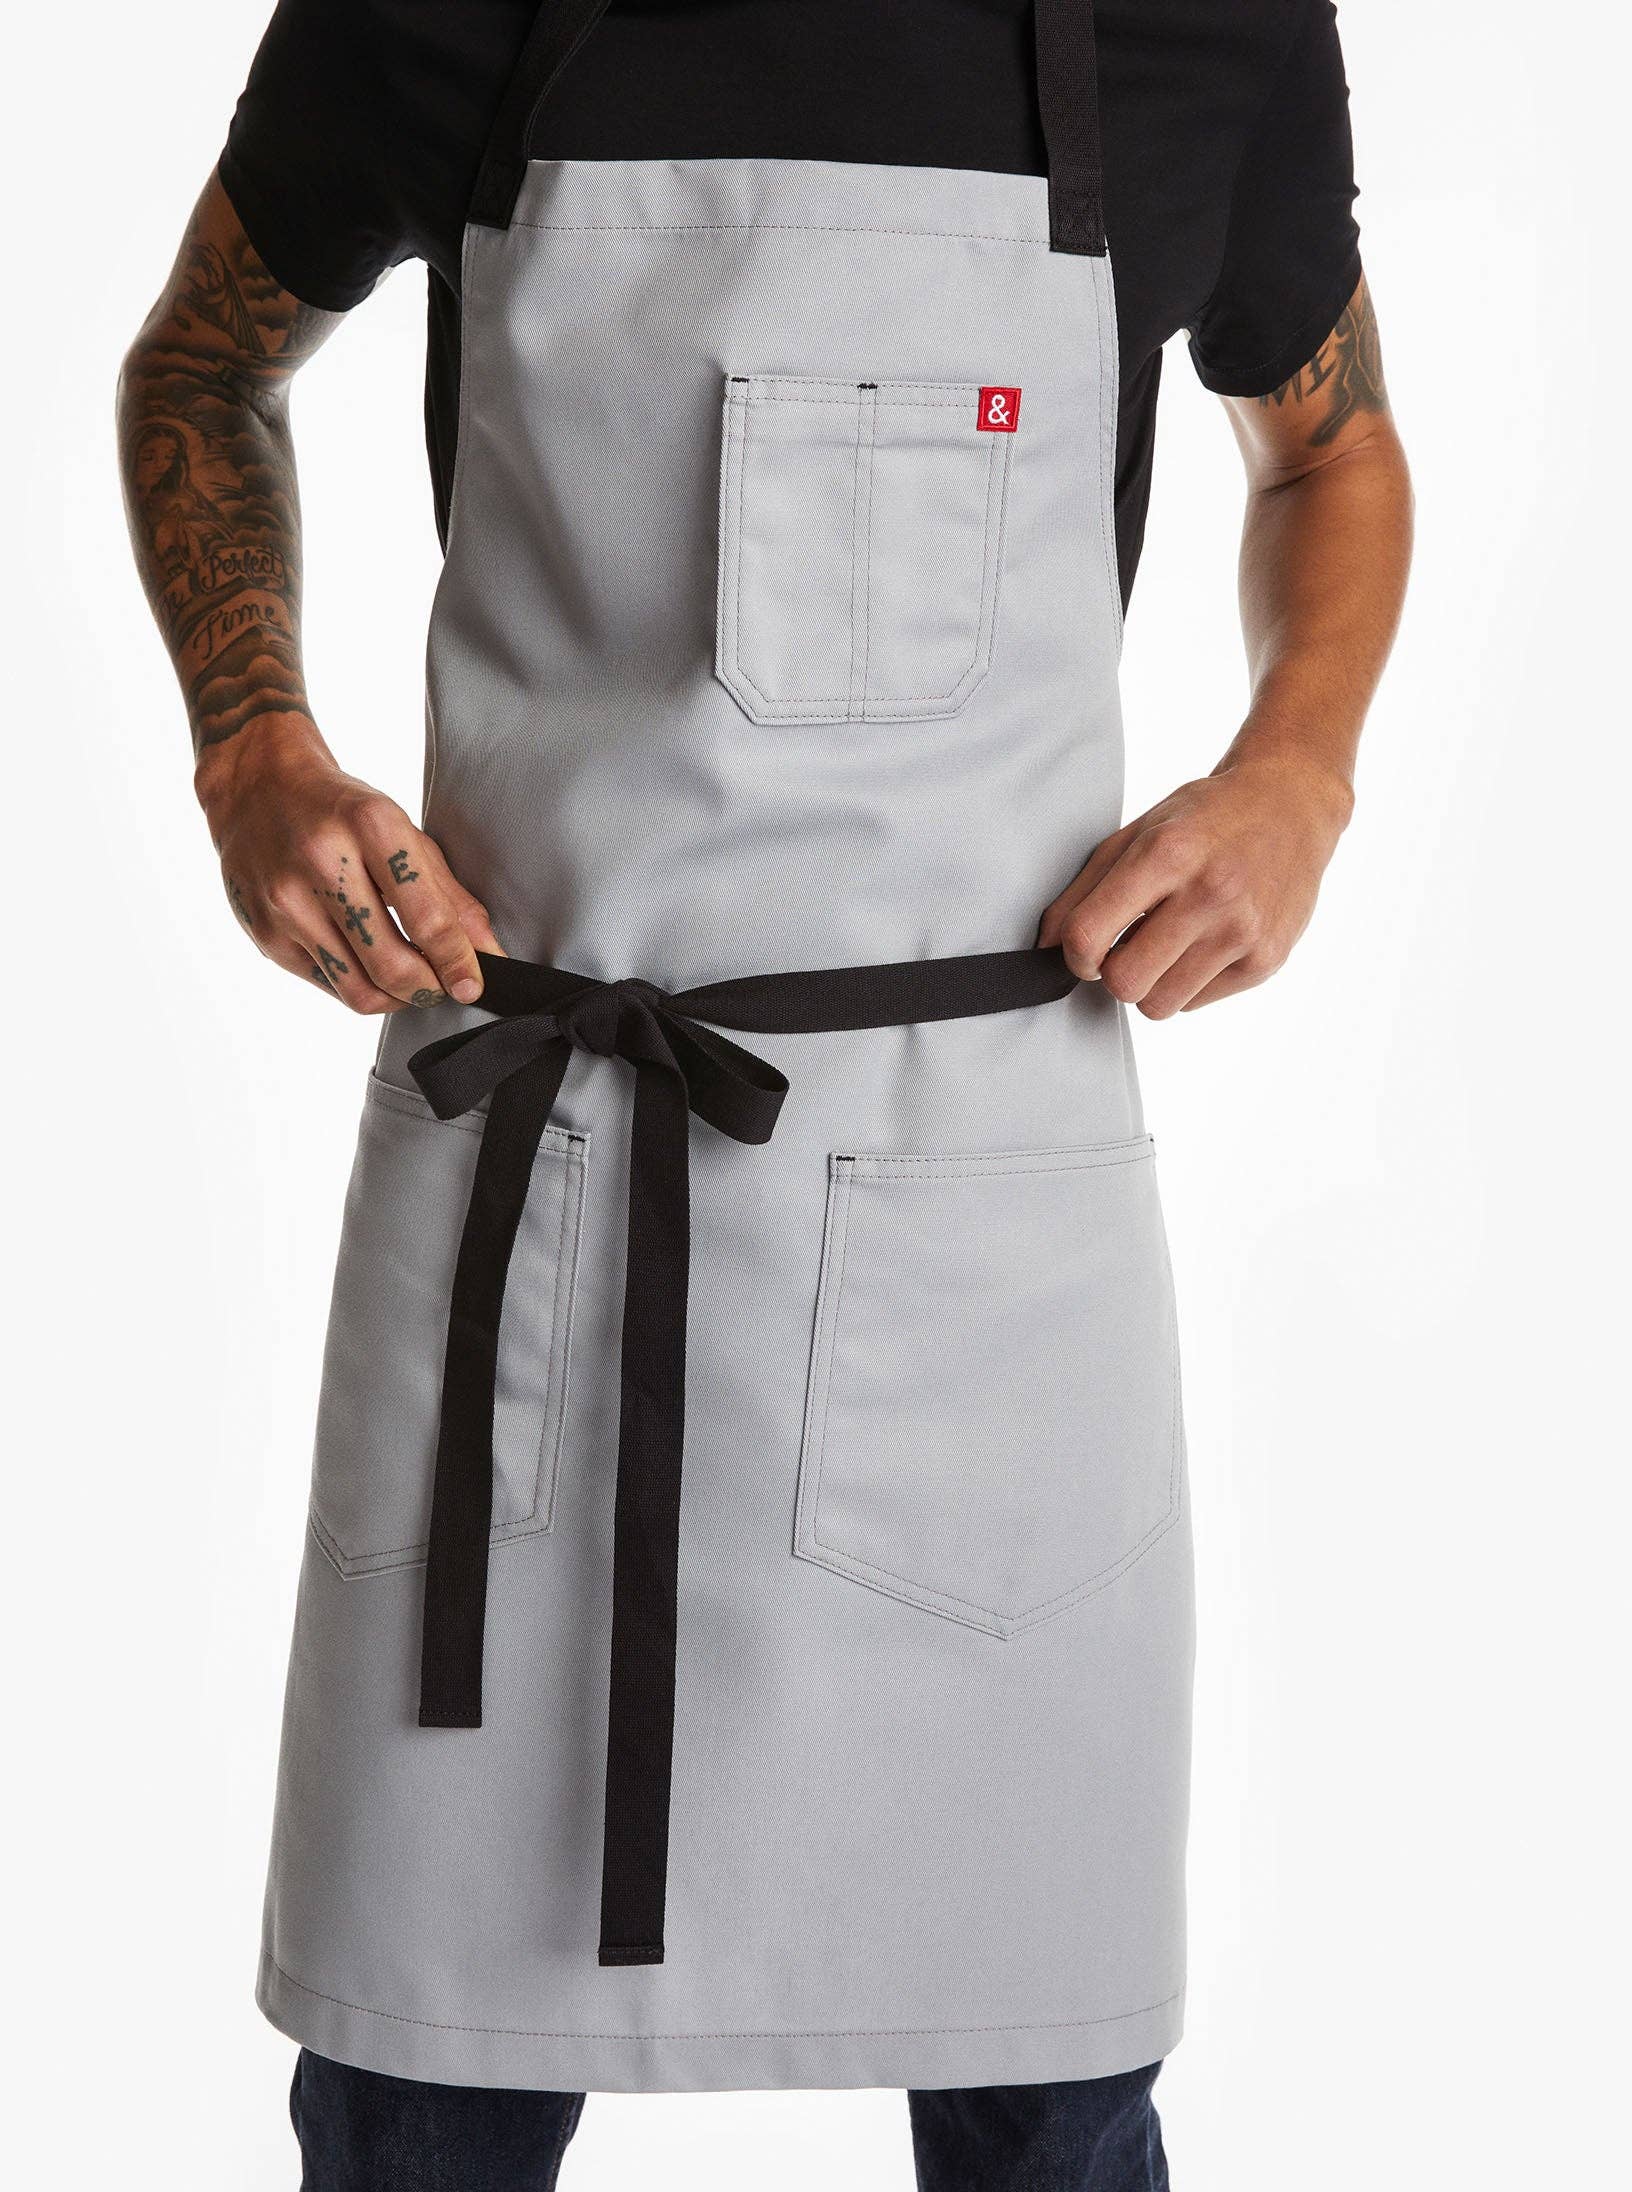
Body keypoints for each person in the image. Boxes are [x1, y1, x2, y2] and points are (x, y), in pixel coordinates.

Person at [116, 3, 1412, 2185]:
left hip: (978, 1222)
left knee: (1046, 2103)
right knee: (420, 2097)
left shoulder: (1202, 23)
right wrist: (253, 748)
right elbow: (202, 366)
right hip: (534, 1182)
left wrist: (1300, 771)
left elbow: (1331, 452)